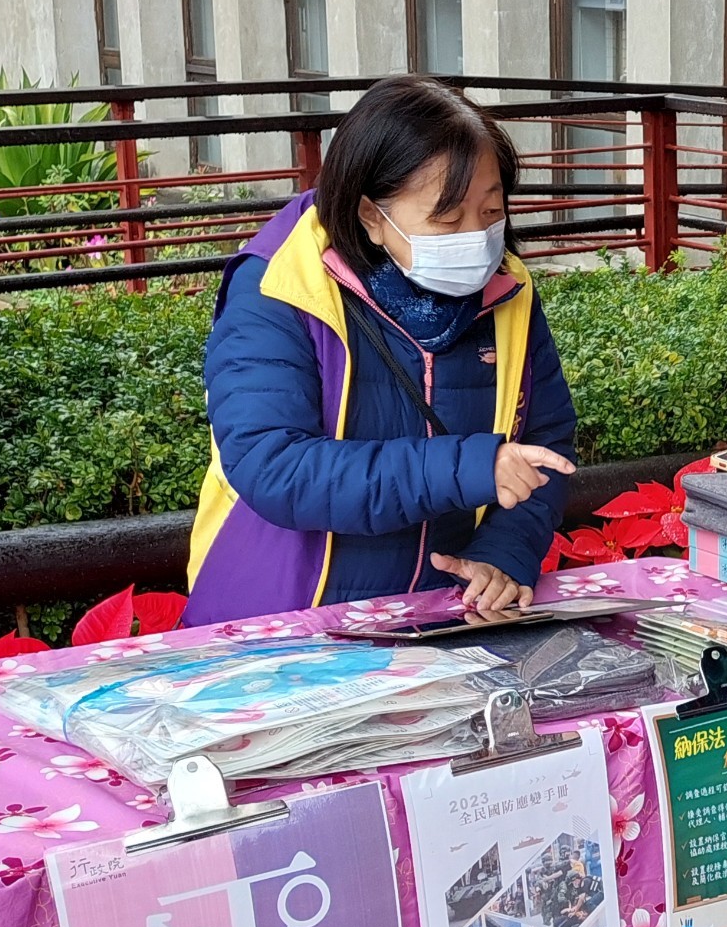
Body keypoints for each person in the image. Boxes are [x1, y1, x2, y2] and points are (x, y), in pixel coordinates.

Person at [184, 76, 578, 627]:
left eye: (491, 211)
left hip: (434, 621)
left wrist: (504, 551)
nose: (476, 236)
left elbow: (545, 442)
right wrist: (466, 467)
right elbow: (273, 466)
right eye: (447, 218)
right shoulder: (278, 286)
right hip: (283, 625)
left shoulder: (507, 289)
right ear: (371, 215)